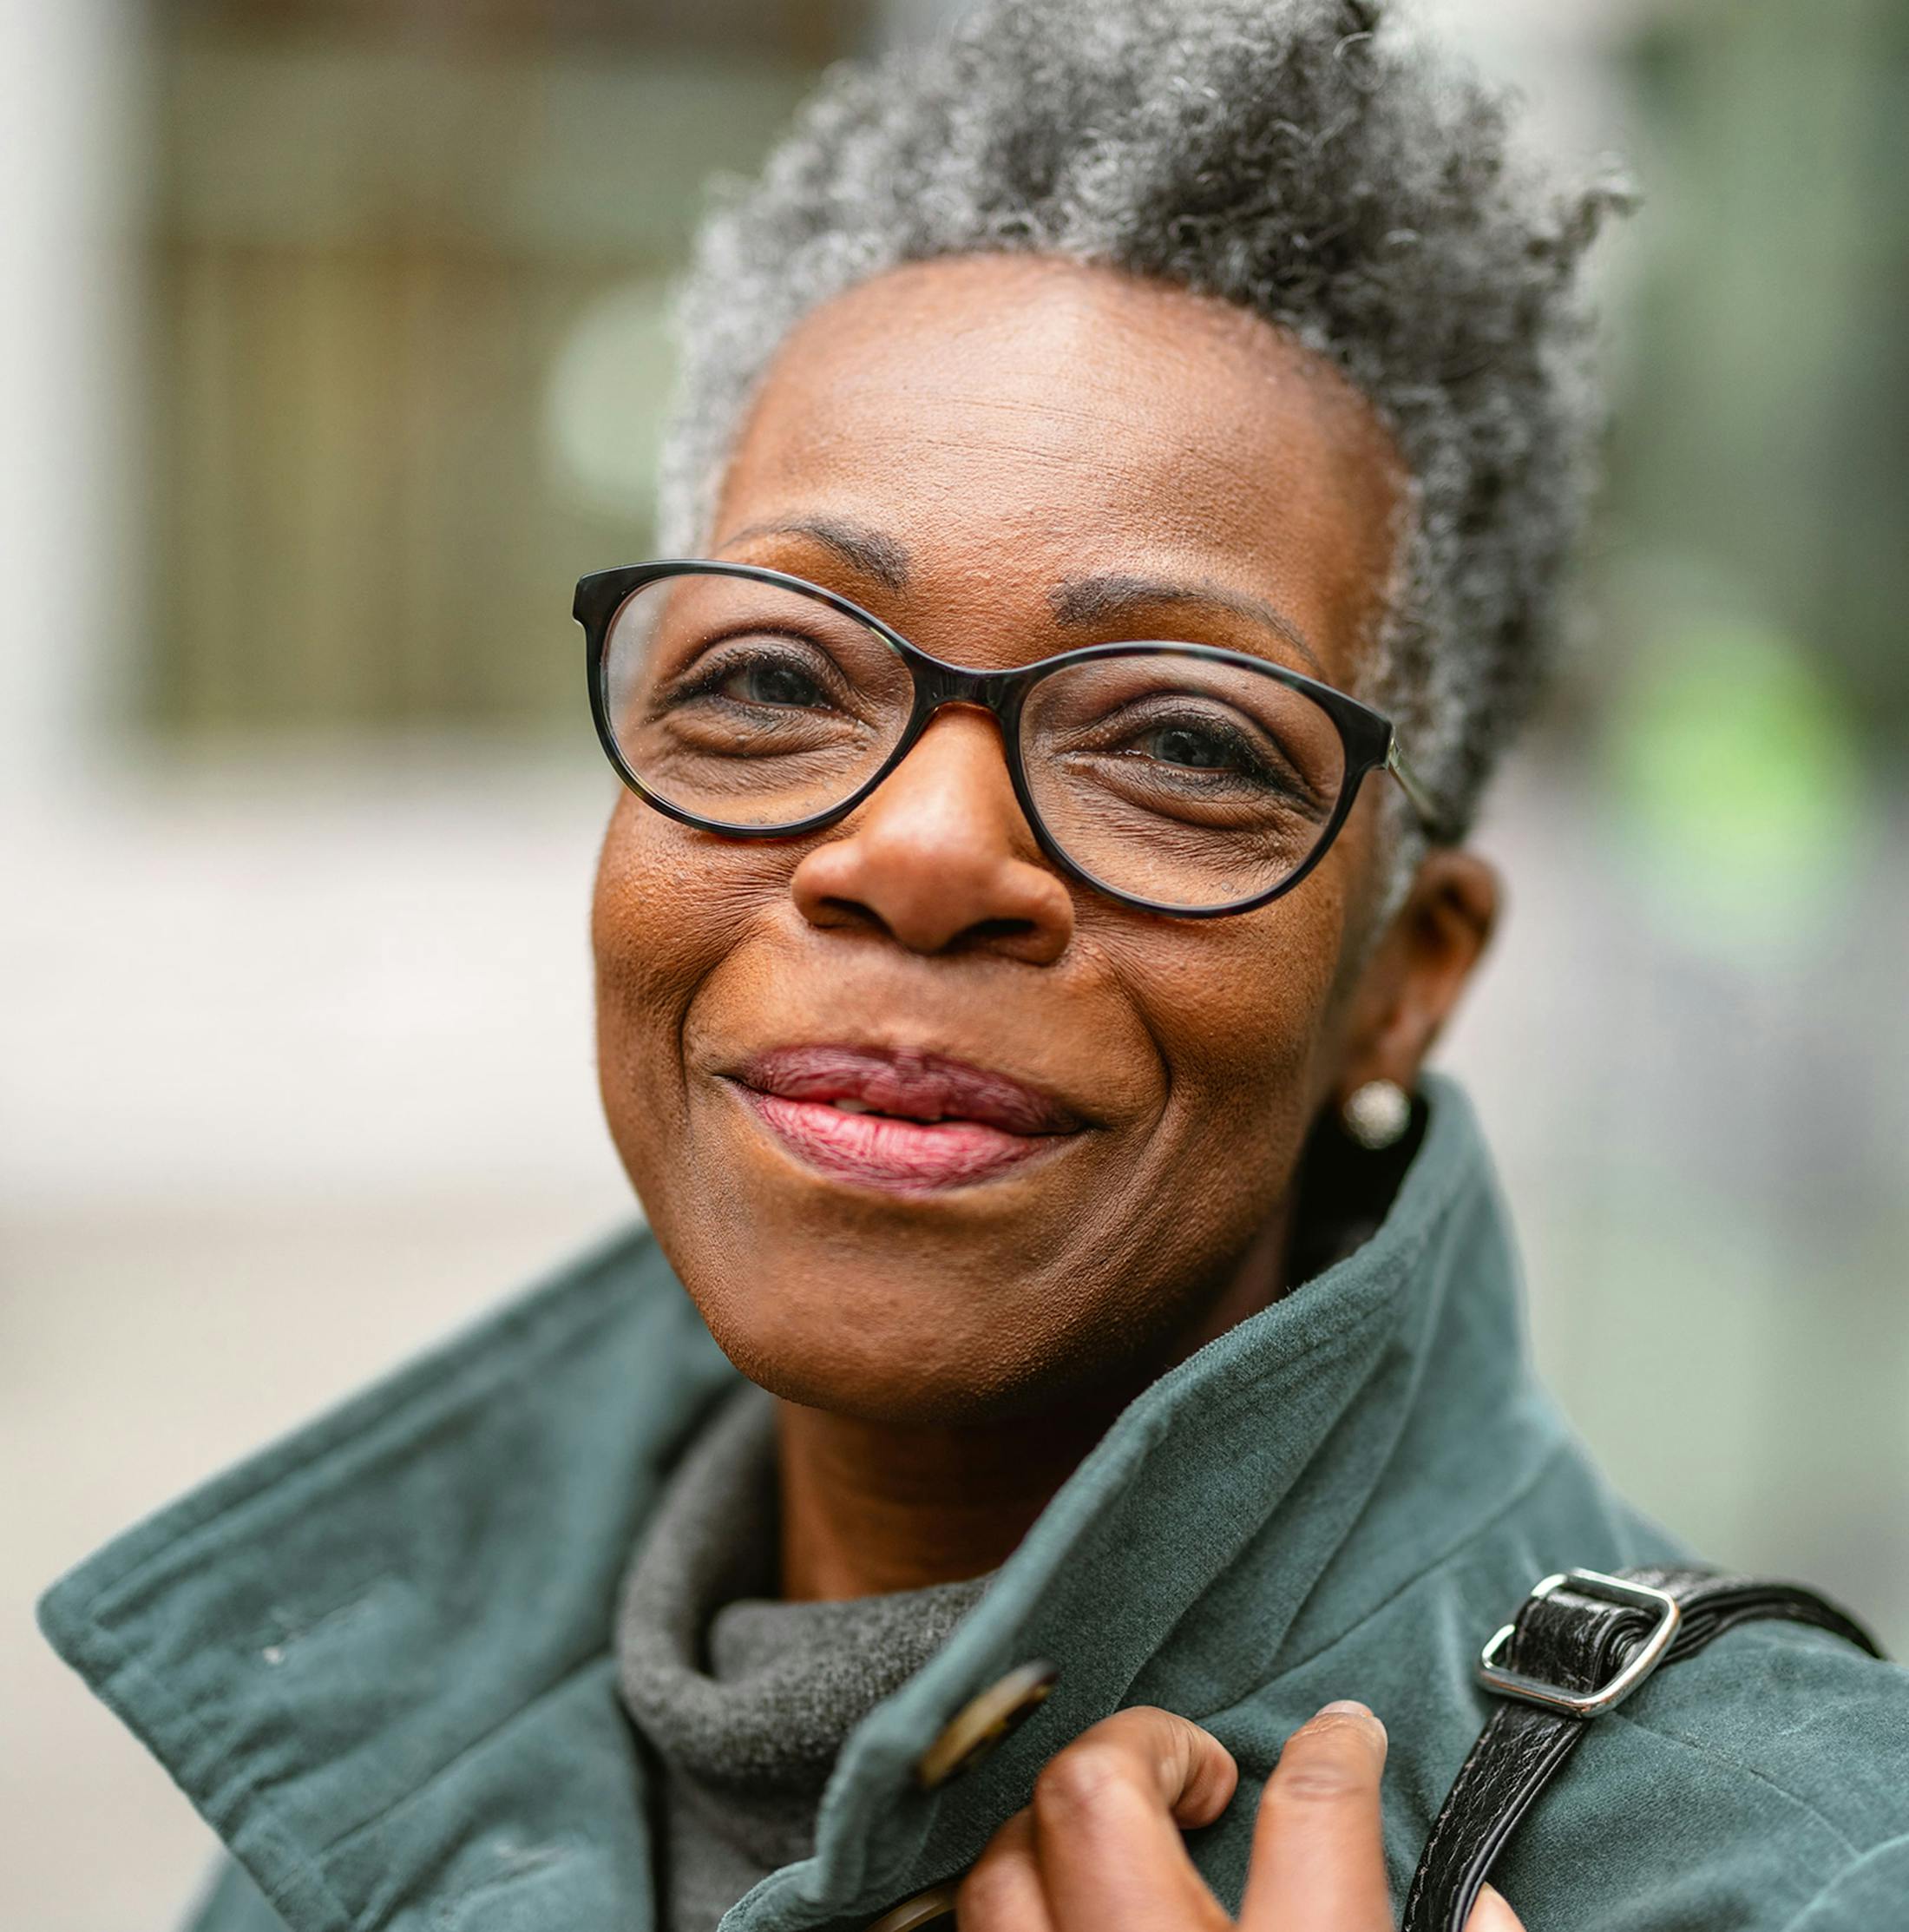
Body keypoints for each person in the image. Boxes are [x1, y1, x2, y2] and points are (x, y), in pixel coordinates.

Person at [38, 2, 1909, 1929]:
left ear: (1403, 974)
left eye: (1183, 742)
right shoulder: (365, 1777)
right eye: (767, 679)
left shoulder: (1803, 1868)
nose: (919, 854)